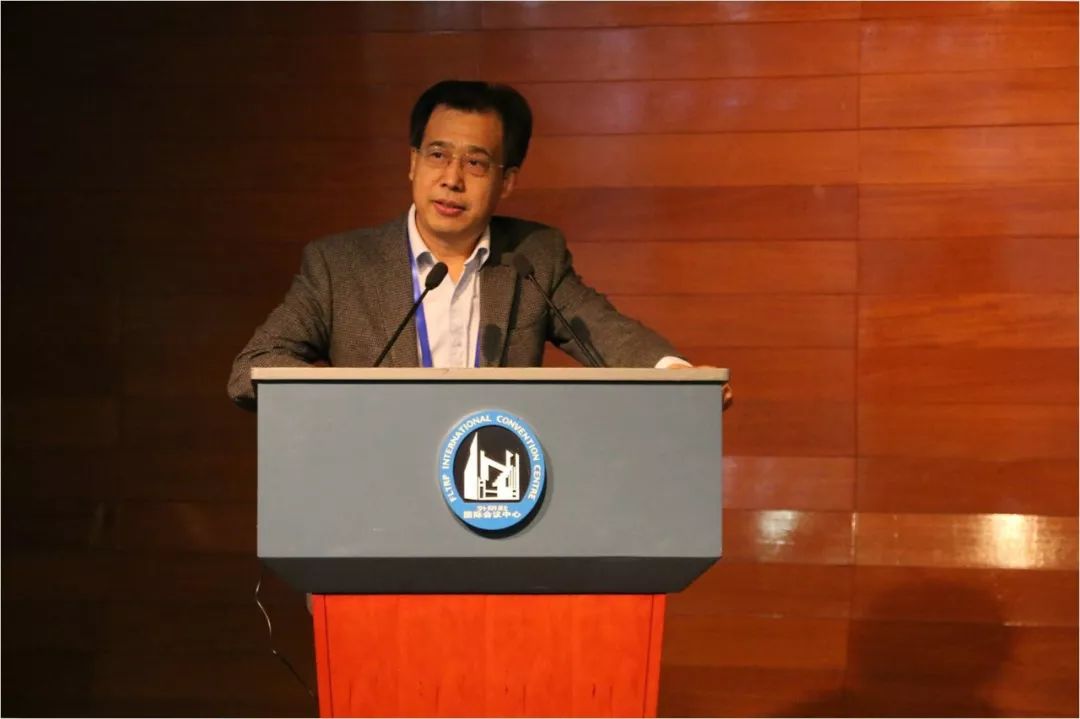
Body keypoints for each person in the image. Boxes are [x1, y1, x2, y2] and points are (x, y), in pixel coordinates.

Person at [228, 80, 717, 410]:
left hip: (495, 495)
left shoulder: (533, 258)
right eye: (438, 155)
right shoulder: (339, 266)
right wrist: (350, 402)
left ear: (507, 181)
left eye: (476, 163)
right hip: (378, 488)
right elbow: (252, 368)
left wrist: (679, 376)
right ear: (413, 163)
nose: (452, 179)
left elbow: (603, 332)